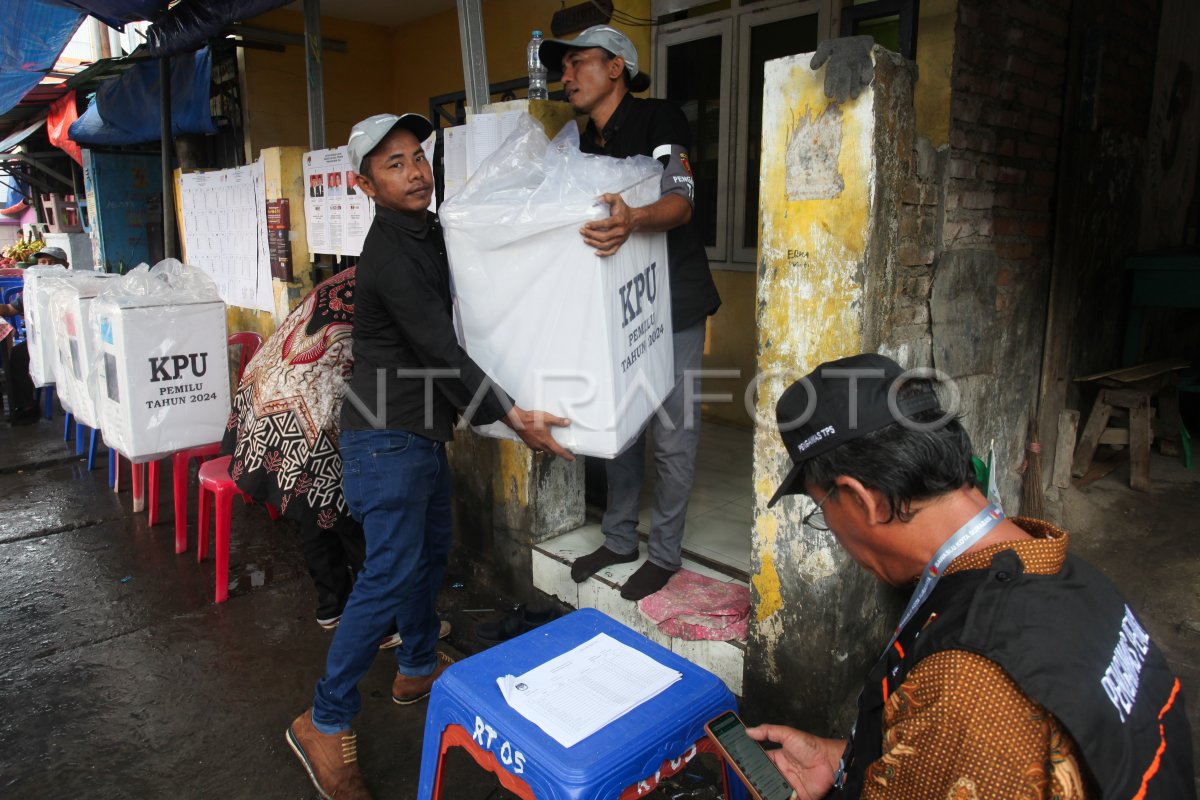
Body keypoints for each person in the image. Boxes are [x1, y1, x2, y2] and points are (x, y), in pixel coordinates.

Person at [748, 353, 1194, 799]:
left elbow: (978, 738)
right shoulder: (1067, 575)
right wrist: (846, 760)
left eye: (823, 508)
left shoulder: (967, 681)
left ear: (865, 500)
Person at [286, 112, 574, 800]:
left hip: (418, 431)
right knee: (388, 573)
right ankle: (324, 718)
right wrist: (511, 415)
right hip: (385, 437)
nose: (415, 172)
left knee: (429, 551)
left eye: (418, 157)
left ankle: (417, 664)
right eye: (395, 164)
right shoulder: (389, 257)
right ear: (365, 184)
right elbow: (442, 353)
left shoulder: (427, 231)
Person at [539, 25, 722, 601]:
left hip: (676, 303)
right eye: (562, 67)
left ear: (616, 66)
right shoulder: (578, 146)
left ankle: (665, 553)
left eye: (577, 64)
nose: (565, 76)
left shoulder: (659, 120)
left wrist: (633, 219)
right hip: (613, 311)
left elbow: (682, 199)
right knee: (618, 425)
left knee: (672, 435)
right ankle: (619, 538)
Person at [0, 246, 67, 426]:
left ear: (65, 266)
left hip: (66, 341)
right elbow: (9, 309)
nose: (45, 267)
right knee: (18, 355)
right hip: (41, 341)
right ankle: (26, 406)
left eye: (52, 263)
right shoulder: (32, 290)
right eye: (42, 262)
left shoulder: (70, 287)